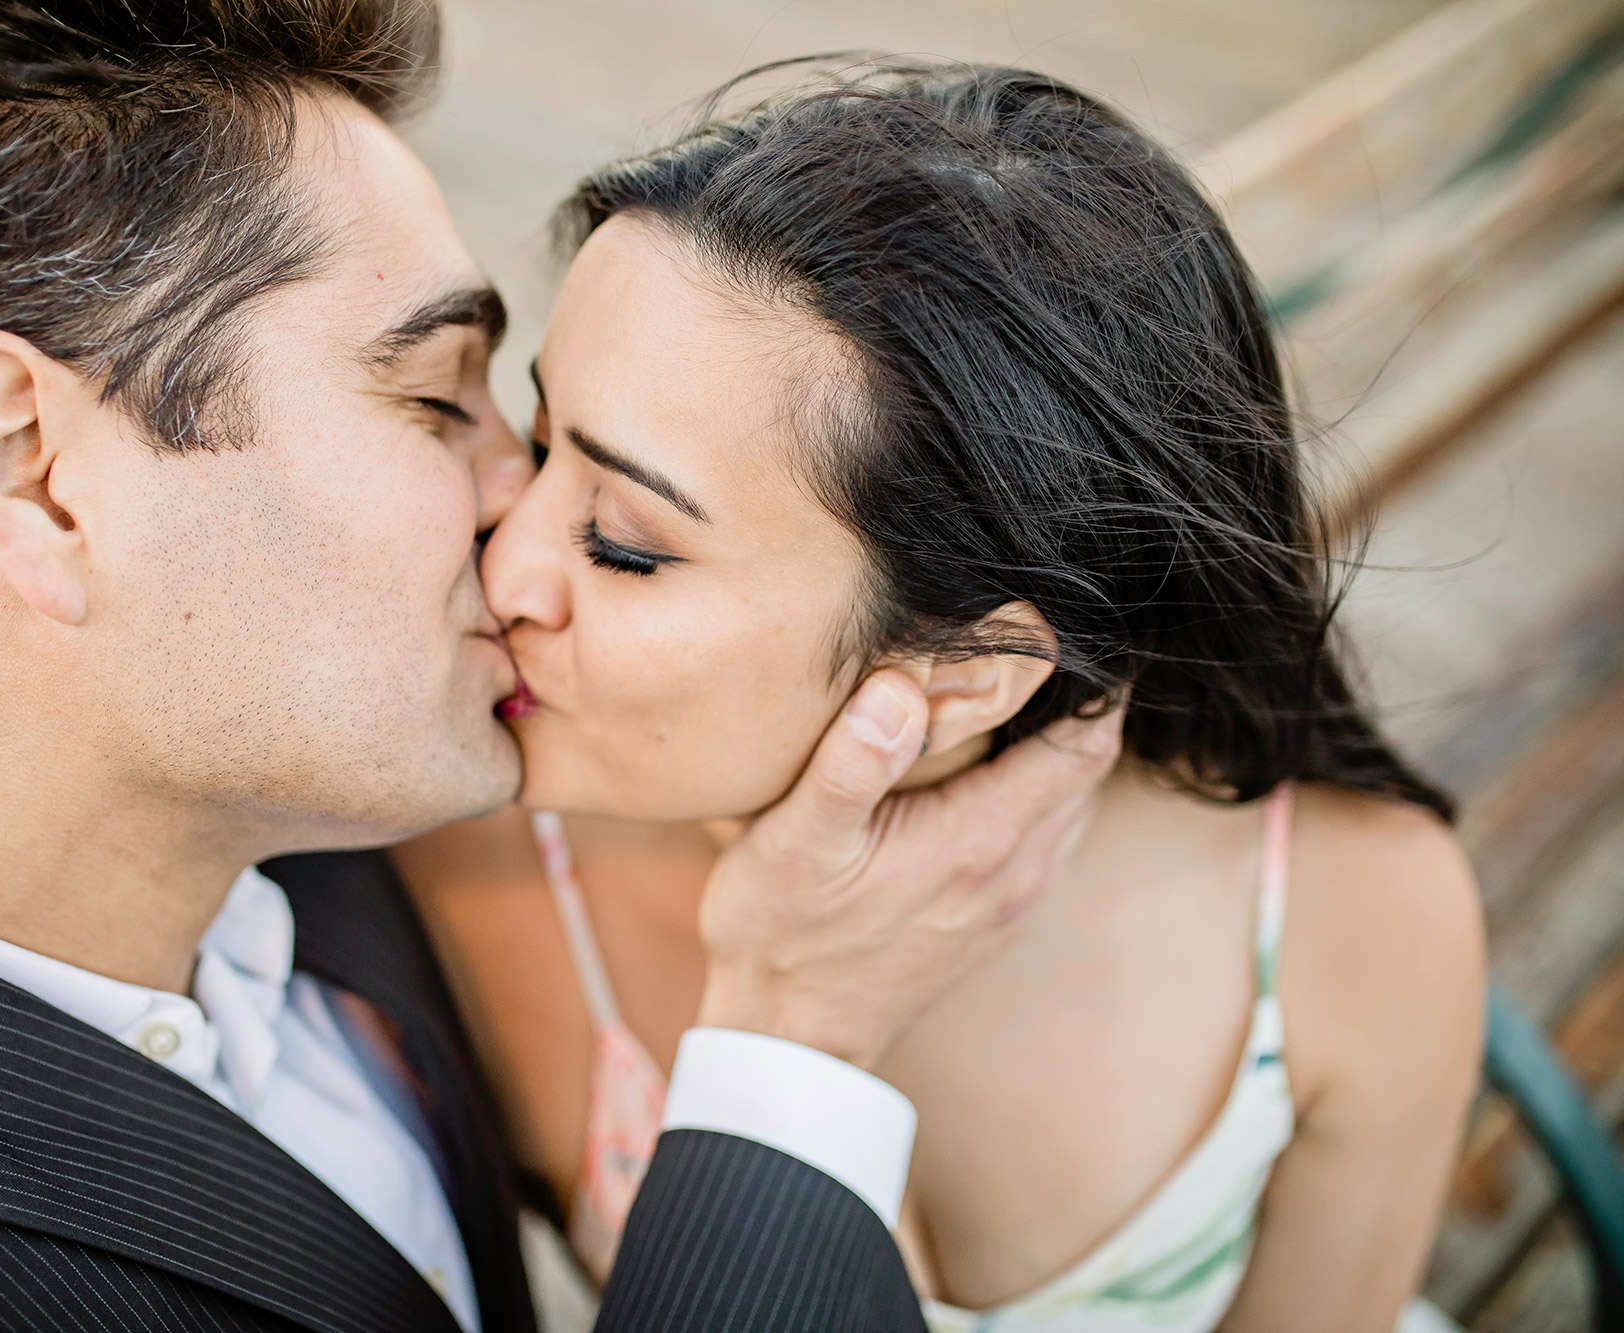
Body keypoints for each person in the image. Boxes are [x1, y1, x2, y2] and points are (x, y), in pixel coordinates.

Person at [0, 6, 1123, 1332]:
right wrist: (791, 1057)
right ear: (31, 473)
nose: (520, 498)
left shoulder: (339, 811)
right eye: (431, 396)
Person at [397, 62, 1486, 1332]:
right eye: (538, 445)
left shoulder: (1345, 915)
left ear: (966, 668)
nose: (505, 565)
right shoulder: (472, 854)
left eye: (624, 542)